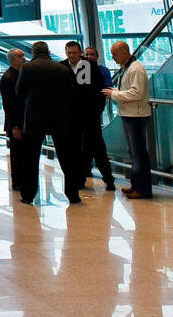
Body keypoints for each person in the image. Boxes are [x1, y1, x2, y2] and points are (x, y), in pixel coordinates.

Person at [15, 41, 78, 204]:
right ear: (48, 52)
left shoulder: (27, 68)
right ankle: (73, 194)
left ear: (33, 53)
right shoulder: (62, 69)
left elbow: (19, 91)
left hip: (34, 119)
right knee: (67, 158)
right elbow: (71, 94)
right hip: (59, 118)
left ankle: (28, 195)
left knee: (31, 158)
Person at [103, 41, 152, 199]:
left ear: (125, 52)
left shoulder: (136, 69)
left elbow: (136, 93)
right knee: (134, 153)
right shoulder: (127, 68)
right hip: (129, 114)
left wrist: (114, 95)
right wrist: (116, 91)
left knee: (139, 154)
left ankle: (143, 189)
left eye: (115, 54)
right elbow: (129, 90)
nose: (113, 57)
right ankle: (136, 185)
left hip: (136, 116)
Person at [62, 41, 114, 192]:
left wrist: (96, 111)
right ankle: (80, 179)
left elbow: (99, 90)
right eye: (69, 53)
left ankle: (108, 179)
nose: (72, 56)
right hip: (72, 118)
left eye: (74, 53)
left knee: (98, 148)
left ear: (80, 53)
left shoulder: (90, 67)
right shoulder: (62, 67)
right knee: (75, 149)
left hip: (90, 116)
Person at [0, 48, 26, 194]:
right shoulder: (8, 77)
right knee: (17, 154)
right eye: (20, 56)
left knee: (23, 153)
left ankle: (24, 180)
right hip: (16, 123)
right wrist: (15, 126)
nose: (23, 58)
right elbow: (8, 105)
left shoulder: (22, 74)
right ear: (12, 59)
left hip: (23, 121)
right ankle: (17, 182)